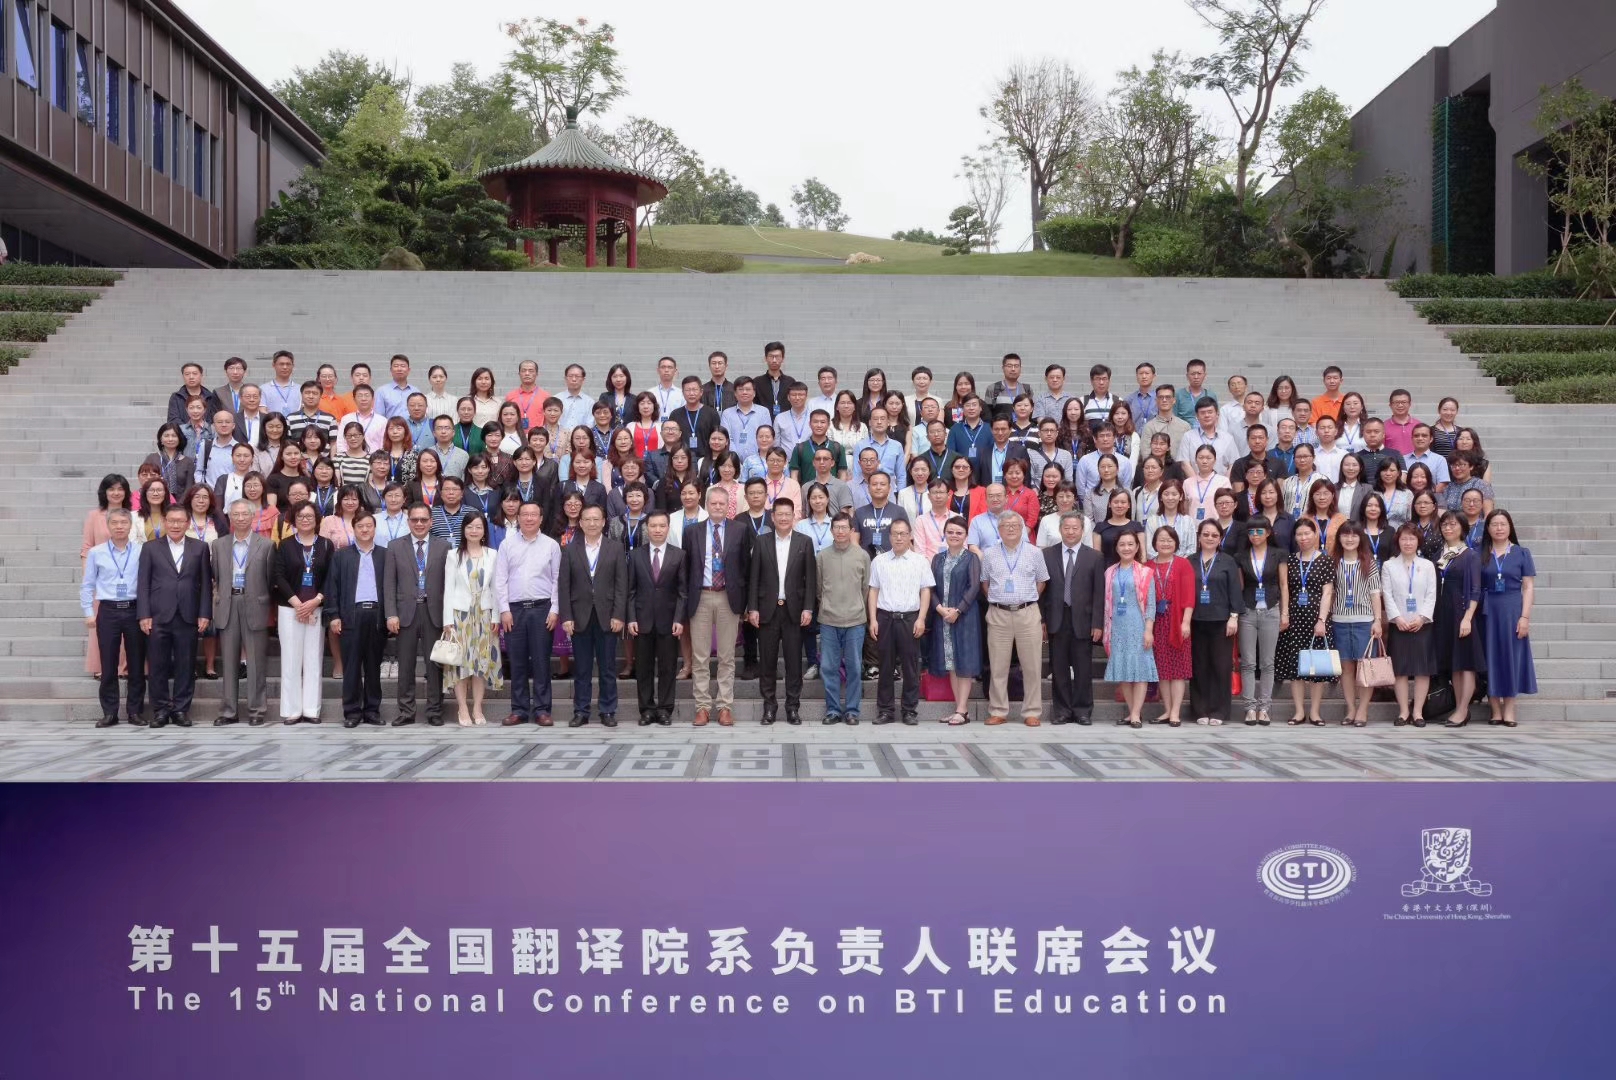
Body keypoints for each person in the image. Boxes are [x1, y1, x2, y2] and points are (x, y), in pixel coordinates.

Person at [137, 504, 213, 729]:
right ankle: (160, 710)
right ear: (164, 522)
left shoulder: (200, 548)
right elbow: (143, 583)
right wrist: (144, 614)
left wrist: (204, 613)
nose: (176, 525)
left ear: (188, 523)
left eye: (180, 521)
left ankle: (180, 709)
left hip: (188, 615)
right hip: (158, 615)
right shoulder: (150, 548)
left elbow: (205, 584)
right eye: (171, 520)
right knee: (157, 665)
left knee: (185, 665)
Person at [684, 486, 752, 726]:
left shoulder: (740, 530)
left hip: (727, 597)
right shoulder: (692, 532)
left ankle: (724, 707)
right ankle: (702, 707)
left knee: (727, 656)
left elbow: (745, 568)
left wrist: (745, 603)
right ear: (707, 504)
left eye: (722, 503)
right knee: (700, 656)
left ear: (728, 506)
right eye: (713, 503)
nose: (717, 507)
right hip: (701, 597)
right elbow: (687, 567)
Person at [556, 505, 628, 727]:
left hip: (608, 616)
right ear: (580, 523)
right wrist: (566, 616)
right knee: (582, 668)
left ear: (604, 522)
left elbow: (621, 585)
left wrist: (619, 615)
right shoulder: (570, 549)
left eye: (596, 519)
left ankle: (608, 710)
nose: (592, 523)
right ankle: (581, 711)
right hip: (580, 616)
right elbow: (564, 586)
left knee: (607, 668)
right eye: (587, 519)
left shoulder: (615, 548)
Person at [748, 498, 817, 724]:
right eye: (780, 514)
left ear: (794, 516)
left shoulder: (804, 542)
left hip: (794, 611)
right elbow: (754, 578)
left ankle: (792, 708)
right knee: (767, 663)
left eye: (788, 514)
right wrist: (752, 608)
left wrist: (808, 608)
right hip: (767, 610)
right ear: (773, 517)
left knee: (794, 663)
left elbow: (810, 579)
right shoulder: (761, 542)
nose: (784, 518)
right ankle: (769, 708)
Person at [383, 502, 449, 727]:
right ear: (408, 521)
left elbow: (448, 584)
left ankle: (435, 710)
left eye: (423, 520)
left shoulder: (444, 546)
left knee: (435, 665)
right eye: (414, 520)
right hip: (405, 613)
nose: (419, 523)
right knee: (406, 665)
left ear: (431, 522)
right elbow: (389, 584)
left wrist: (448, 617)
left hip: (434, 612)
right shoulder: (395, 546)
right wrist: (391, 614)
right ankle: (406, 711)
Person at [496, 502, 562, 727]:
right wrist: (504, 609)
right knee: (517, 662)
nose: (529, 518)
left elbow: (557, 579)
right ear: (518, 518)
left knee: (542, 661)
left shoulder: (551, 545)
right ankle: (519, 709)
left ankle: (542, 710)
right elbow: (500, 579)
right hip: (514, 611)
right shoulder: (507, 545)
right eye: (525, 514)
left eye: (534, 514)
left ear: (541, 518)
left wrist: (555, 609)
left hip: (542, 609)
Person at [81, 508, 146, 727]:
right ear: (108, 526)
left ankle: (135, 711)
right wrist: (88, 612)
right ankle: (110, 712)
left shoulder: (141, 551)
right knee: (108, 664)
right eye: (115, 523)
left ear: (130, 525)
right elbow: (88, 585)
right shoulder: (96, 553)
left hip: (134, 609)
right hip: (108, 611)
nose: (119, 527)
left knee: (136, 663)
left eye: (123, 523)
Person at [436, 510, 501, 726]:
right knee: (461, 665)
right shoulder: (453, 555)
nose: (474, 531)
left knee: (481, 664)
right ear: (463, 530)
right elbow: (448, 589)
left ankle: (477, 707)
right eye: (470, 527)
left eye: (478, 527)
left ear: (484, 531)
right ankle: (462, 707)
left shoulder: (492, 554)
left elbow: (496, 588)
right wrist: (447, 621)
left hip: (484, 615)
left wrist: (496, 616)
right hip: (460, 616)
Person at [867, 519, 935, 726]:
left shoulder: (920, 561)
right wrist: (873, 619)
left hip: (910, 618)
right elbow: (873, 591)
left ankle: (909, 710)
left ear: (910, 536)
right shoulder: (879, 561)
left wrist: (921, 618)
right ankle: (885, 710)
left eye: (903, 534)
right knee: (885, 666)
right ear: (889, 537)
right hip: (885, 618)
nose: (899, 537)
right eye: (895, 533)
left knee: (910, 667)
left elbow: (926, 591)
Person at [1040, 512, 1105, 727]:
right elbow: (1041, 591)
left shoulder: (1094, 557)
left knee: (1083, 669)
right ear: (1060, 530)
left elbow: (1099, 593)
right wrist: (1042, 620)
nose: (1070, 532)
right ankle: (1062, 711)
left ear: (1082, 530)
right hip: (1056, 618)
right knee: (1058, 669)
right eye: (1066, 528)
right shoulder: (1047, 554)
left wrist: (1097, 623)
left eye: (1075, 528)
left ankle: (1083, 711)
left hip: (1084, 620)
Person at [269, 502, 331, 724]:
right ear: (294, 520)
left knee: (313, 659)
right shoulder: (285, 545)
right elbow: (278, 576)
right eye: (301, 516)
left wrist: (315, 601)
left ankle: (312, 709)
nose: (305, 520)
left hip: (316, 608)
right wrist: (298, 605)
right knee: (291, 660)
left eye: (309, 516)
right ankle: (292, 709)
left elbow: (331, 577)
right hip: (290, 609)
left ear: (317, 519)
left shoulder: (326, 545)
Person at [326, 511, 388, 728]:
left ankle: (372, 710)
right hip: (351, 615)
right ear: (353, 529)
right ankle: (352, 711)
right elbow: (332, 587)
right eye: (360, 526)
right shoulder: (341, 556)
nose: (365, 529)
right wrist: (334, 615)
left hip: (377, 615)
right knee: (351, 666)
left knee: (373, 666)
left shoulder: (385, 555)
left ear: (375, 529)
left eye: (369, 526)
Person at [626, 510, 686, 726]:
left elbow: (683, 592)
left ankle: (665, 709)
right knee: (643, 668)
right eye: (653, 526)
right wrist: (631, 618)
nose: (658, 530)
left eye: (662, 526)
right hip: (642, 621)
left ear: (668, 528)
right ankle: (647, 710)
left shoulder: (679, 555)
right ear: (647, 528)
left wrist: (679, 619)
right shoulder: (635, 555)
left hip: (669, 621)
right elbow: (630, 591)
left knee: (668, 667)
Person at [1274, 518, 1336, 725]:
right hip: (1294, 619)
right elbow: (1285, 589)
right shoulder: (1291, 560)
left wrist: (1322, 620)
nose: (1303, 538)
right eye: (1299, 534)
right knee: (1296, 667)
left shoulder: (1325, 560)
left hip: (1317, 619)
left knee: (1317, 668)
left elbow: (1327, 592)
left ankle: (1315, 712)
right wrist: (1284, 614)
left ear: (1315, 534)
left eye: (1307, 533)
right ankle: (1299, 711)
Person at [1478, 509, 1536, 727]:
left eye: (1503, 524)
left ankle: (1509, 709)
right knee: (1490, 656)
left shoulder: (1522, 553)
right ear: (1488, 528)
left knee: (1512, 657)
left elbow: (1528, 587)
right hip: (1487, 610)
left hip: (1512, 609)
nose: (1499, 528)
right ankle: (1495, 709)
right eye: (1494, 524)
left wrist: (1525, 617)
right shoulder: (1480, 553)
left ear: (1510, 527)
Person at [1382, 522, 1440, 727]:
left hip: (1422, 625)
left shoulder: (1427, 565)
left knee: (1422, 669)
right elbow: (1387, 594)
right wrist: (1397, 618)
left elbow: (1432, 594)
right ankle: (1403, 711)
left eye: (1412, 538)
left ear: (1418, 541)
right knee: (1400, 670)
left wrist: (1422, 618)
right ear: (1398, 541)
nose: (1408, 542)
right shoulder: (1389, 566)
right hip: (1399, 624)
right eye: (1404, 538)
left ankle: (1418, 712)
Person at [1430, 512, 1485, 728]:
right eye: (1444, 525)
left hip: (1461, 614)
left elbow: (1475, 589)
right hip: (1441, 615)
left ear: (1462, 528)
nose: (1448, 528)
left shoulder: (1470, 555)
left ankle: (1463, 709)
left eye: (1453, 524)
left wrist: (1468, 618)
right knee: (1454, 663)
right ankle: (1459, 708)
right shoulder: (1438, 554)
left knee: (1466, 664)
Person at [1329, 522, 1385, 727]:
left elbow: (1375, 593)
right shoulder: (1334, 562)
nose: (1349, 539)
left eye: (1354, 535)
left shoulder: (1369, 562)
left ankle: (1363, 710)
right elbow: (1330, 592)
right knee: (1346, 667)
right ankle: (1351, 708)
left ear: (1360, 538)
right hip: (1339, 621)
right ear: (1339, 538)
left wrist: (1377, 620)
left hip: (1364, 621)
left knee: (1365, 667)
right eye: (1345, 535)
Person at [1102, 530, 1157, 727]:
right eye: (1122, 544)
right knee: (1123, 670)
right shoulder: (1109, 572)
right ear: (1116, 548)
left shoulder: (1145, 572)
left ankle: (1135, 714)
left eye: (1130, 544)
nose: (1126, 548)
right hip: (1117, 626)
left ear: (1137, 547)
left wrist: (1148, 630)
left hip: (1138, 625)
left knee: (1140, 670)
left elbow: (1151, 604)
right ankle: (1133, 712)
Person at [1236, 517, 1286, 726]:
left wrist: (1285, 613)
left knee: (1267, 662)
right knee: (1248, 662)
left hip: (1271, 610)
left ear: (1268, 532)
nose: (1255, 535)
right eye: (1251, 531)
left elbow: (1283, 584)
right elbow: (1239, 586)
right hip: (1247, 611)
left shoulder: (1278, 554)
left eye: (1259, 531)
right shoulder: (1240, 556)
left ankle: (1264, 707)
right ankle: (1249, 708)